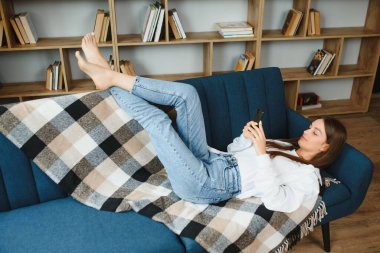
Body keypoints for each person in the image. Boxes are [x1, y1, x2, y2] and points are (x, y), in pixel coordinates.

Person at [75, 33, 347, 212]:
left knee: (159, 122)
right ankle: (109, 76)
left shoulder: (308, 179)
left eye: (314, 132)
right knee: (187, 95)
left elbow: (276, 201)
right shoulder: (286, 147)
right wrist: (246, 138)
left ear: (325, 148)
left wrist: (262, 153)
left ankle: (108, 77)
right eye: (311, 126)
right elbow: (232, 150)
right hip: (212, 159)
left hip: (206, 184)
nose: (306, 130)